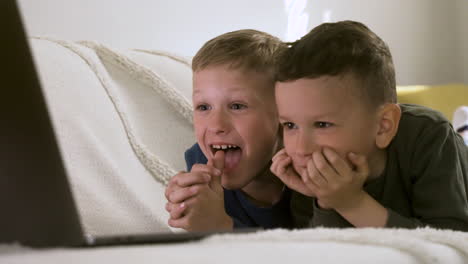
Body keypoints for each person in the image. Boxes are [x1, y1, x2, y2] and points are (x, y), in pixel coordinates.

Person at [271, 20, 468, 231]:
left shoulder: (429, 135)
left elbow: (451, 244)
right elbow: (322, 252)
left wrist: (351, 203)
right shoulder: (306, 169)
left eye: (322, 124)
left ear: (383, 126)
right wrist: (326, 202)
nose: (301, 149)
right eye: (290, 125)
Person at [164, 29, 312, 231]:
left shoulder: (310, 168)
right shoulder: (199, 160)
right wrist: (190, 208)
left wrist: (221, 226)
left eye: (237, 106)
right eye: (203, 107)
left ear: (284, 116)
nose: (216, 126)